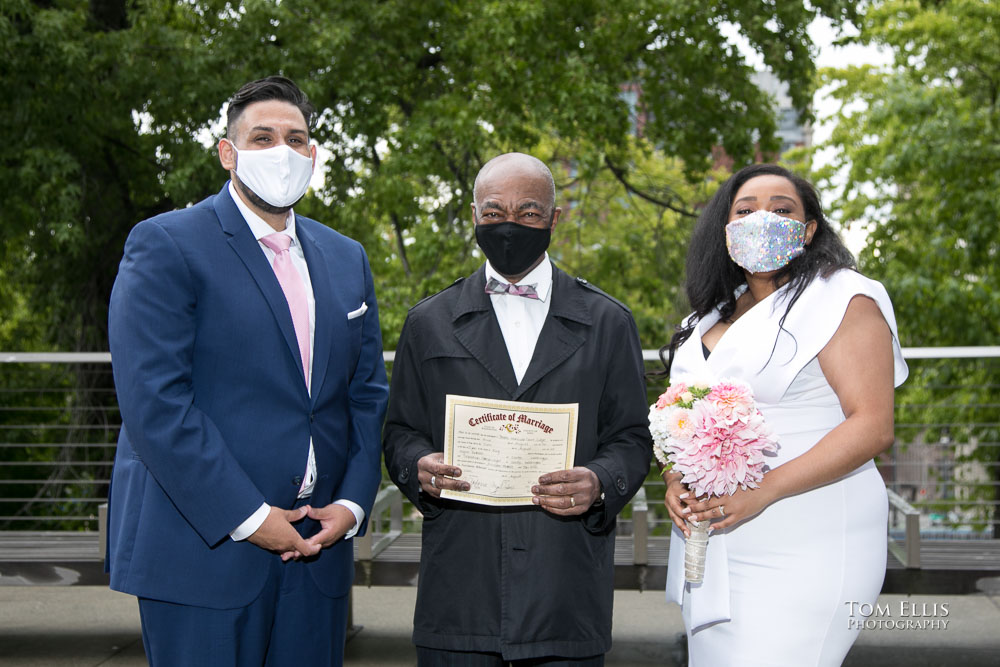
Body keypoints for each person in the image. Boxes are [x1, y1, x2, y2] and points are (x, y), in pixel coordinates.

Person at [106, 76, 389, 666]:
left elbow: (365, 396)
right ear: (227, 152)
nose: (281, 151)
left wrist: (355, 505)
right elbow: (155, 404)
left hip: (318, 549)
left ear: (312, 156)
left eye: (296, 138)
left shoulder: (346, 257)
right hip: (202, 553)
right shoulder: (166, 243)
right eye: (262, 137)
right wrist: (250, 517)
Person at [382, 152, 652, 665]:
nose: (509, 225)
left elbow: (633, 440)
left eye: (528, 213)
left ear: (555, 218)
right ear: (475, 216)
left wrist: (598, 481)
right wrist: (417, 468)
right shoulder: (428, 321)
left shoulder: (609, 321)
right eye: (493, 212)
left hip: (564, 589)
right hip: (461, 588)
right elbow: (400, 433)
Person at [659, 163, 908, 665]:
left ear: (809, 229)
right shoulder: (703, 319)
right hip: (710, 546)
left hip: (806, 535)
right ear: (726, 230)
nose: (762, 219)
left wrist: (764, 491)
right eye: (745, 210)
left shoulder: (842, 298)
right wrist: (674, 480)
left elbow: (873, 423)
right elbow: (675, 423)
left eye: (782, 209)